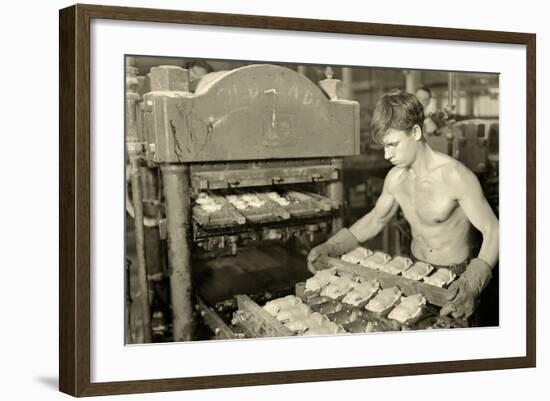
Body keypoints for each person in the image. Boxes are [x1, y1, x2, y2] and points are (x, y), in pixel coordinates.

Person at [307, 89, 499, 320]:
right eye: (384, 147)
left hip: (455, 279)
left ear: (416, 132)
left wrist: (472, 282)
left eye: (393, 144)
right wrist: (333, 246)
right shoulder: (396, 178)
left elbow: (494, 230)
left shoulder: (455, 176)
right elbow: (375, 219)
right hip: (413, 270)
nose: (387, 155)